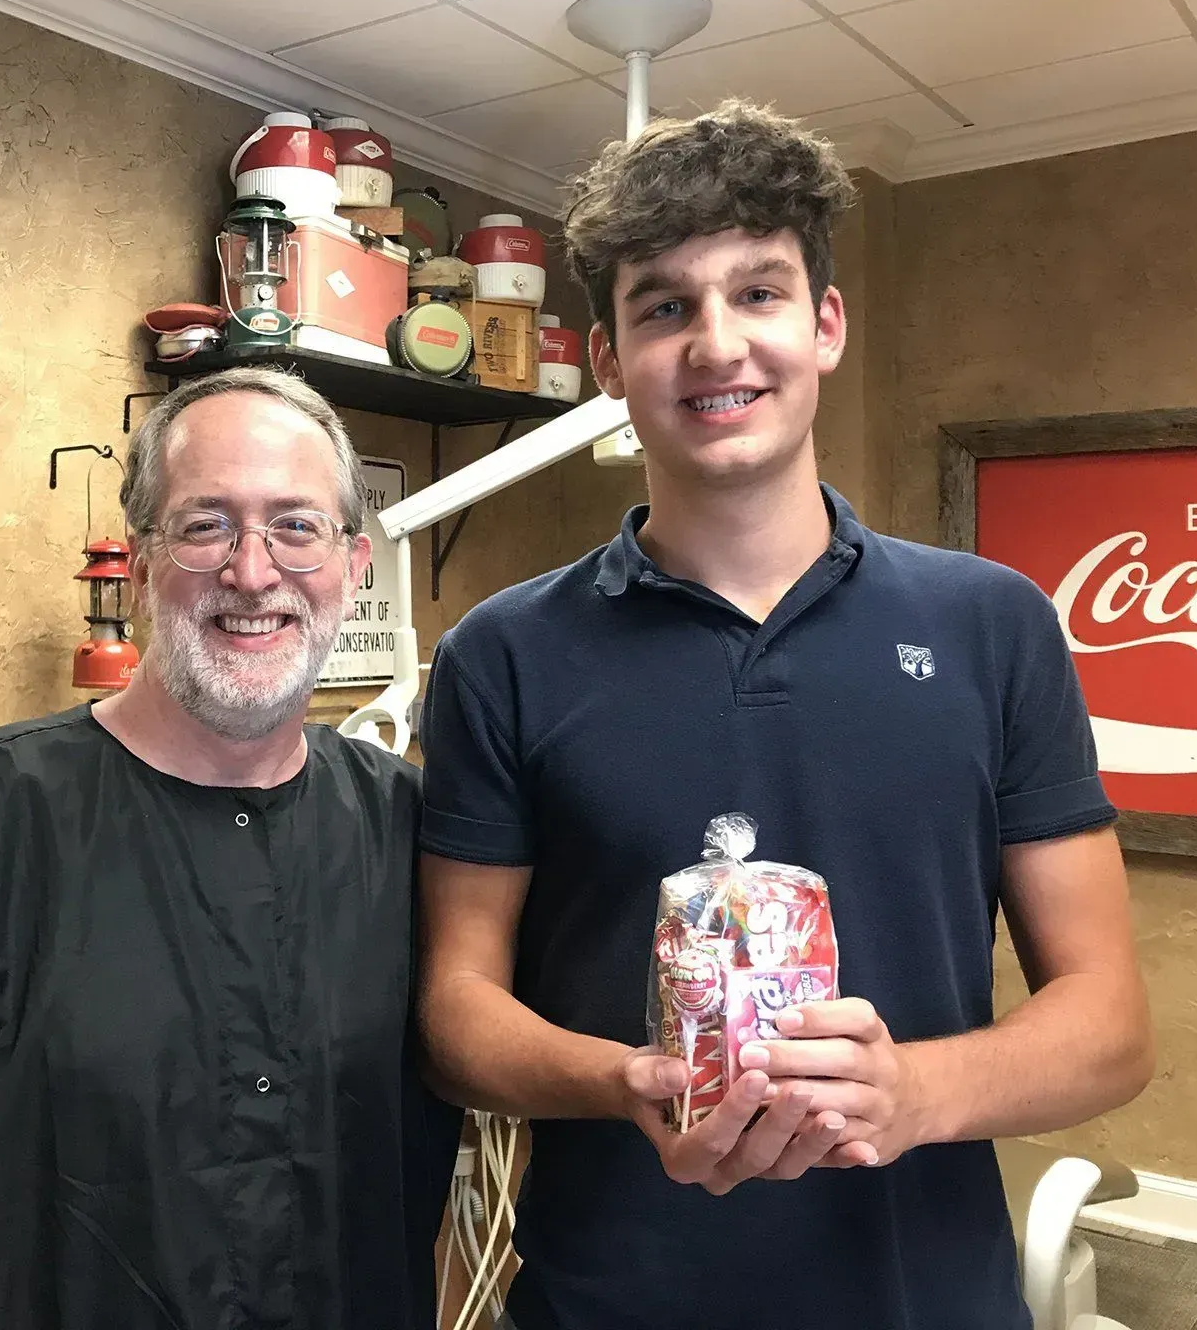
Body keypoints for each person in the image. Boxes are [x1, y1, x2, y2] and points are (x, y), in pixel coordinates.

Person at [415, 101, 1154, 1330]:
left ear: (825, 326)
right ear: (607, 363)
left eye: (757, 293)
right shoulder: (505, 652)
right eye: (663, 306)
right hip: (611, 1300)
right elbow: (455, 1015)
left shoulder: (992, 624)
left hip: (923, 1298)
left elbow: (1110, 1023)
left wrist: (909, 1092)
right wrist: (627, 1080)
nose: (716, 346)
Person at [0, 367, 459, 1329]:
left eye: (295, 526)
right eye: (205, 524)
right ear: (140, 569)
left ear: (354, 567)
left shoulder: (408, 833)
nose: (253, 571)